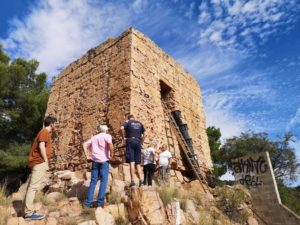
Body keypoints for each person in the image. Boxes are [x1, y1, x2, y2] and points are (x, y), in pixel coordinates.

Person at [24, 116, 57, 221]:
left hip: (38, 162)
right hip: (40, 162)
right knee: (33, 187)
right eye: (55, 124)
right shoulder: (44, 132)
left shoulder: (43, 132)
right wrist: (46, 161)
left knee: (31, 187)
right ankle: (28, 213)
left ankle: (27, 210)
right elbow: (41, 146)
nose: (56, 126)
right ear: (52, 124)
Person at [83, 125, 114, 208]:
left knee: (93, 182)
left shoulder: (94, 138)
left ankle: (88, 203)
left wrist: (87, 156)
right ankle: (100, 203)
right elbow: (110, 145)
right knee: (103, 181)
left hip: (95, 162)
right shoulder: (107, 136)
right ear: (106, 130)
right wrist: (112, 155)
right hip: (104, 161)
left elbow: (84, 144)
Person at [120, 114, 145, 187]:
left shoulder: (127, 122)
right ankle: (141, 181)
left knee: (132, 162)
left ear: (129, 118)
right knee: (138, 163)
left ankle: (133, 181)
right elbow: (144, 134)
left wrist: (123, 138)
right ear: (134, 118)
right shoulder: (140, 123)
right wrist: (141, 142)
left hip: (130, 141)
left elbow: (121, 129)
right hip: (138, 142)